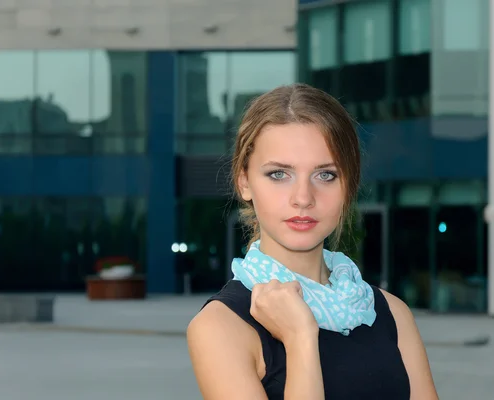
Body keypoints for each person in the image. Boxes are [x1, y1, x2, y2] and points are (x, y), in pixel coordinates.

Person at [187, 83, 438, 399]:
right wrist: (300, 337)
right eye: (279, 174)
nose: (303, 198)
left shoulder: (391, 313)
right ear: (244, 182)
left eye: (326, 175)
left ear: (349, 186)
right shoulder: (220, 328)